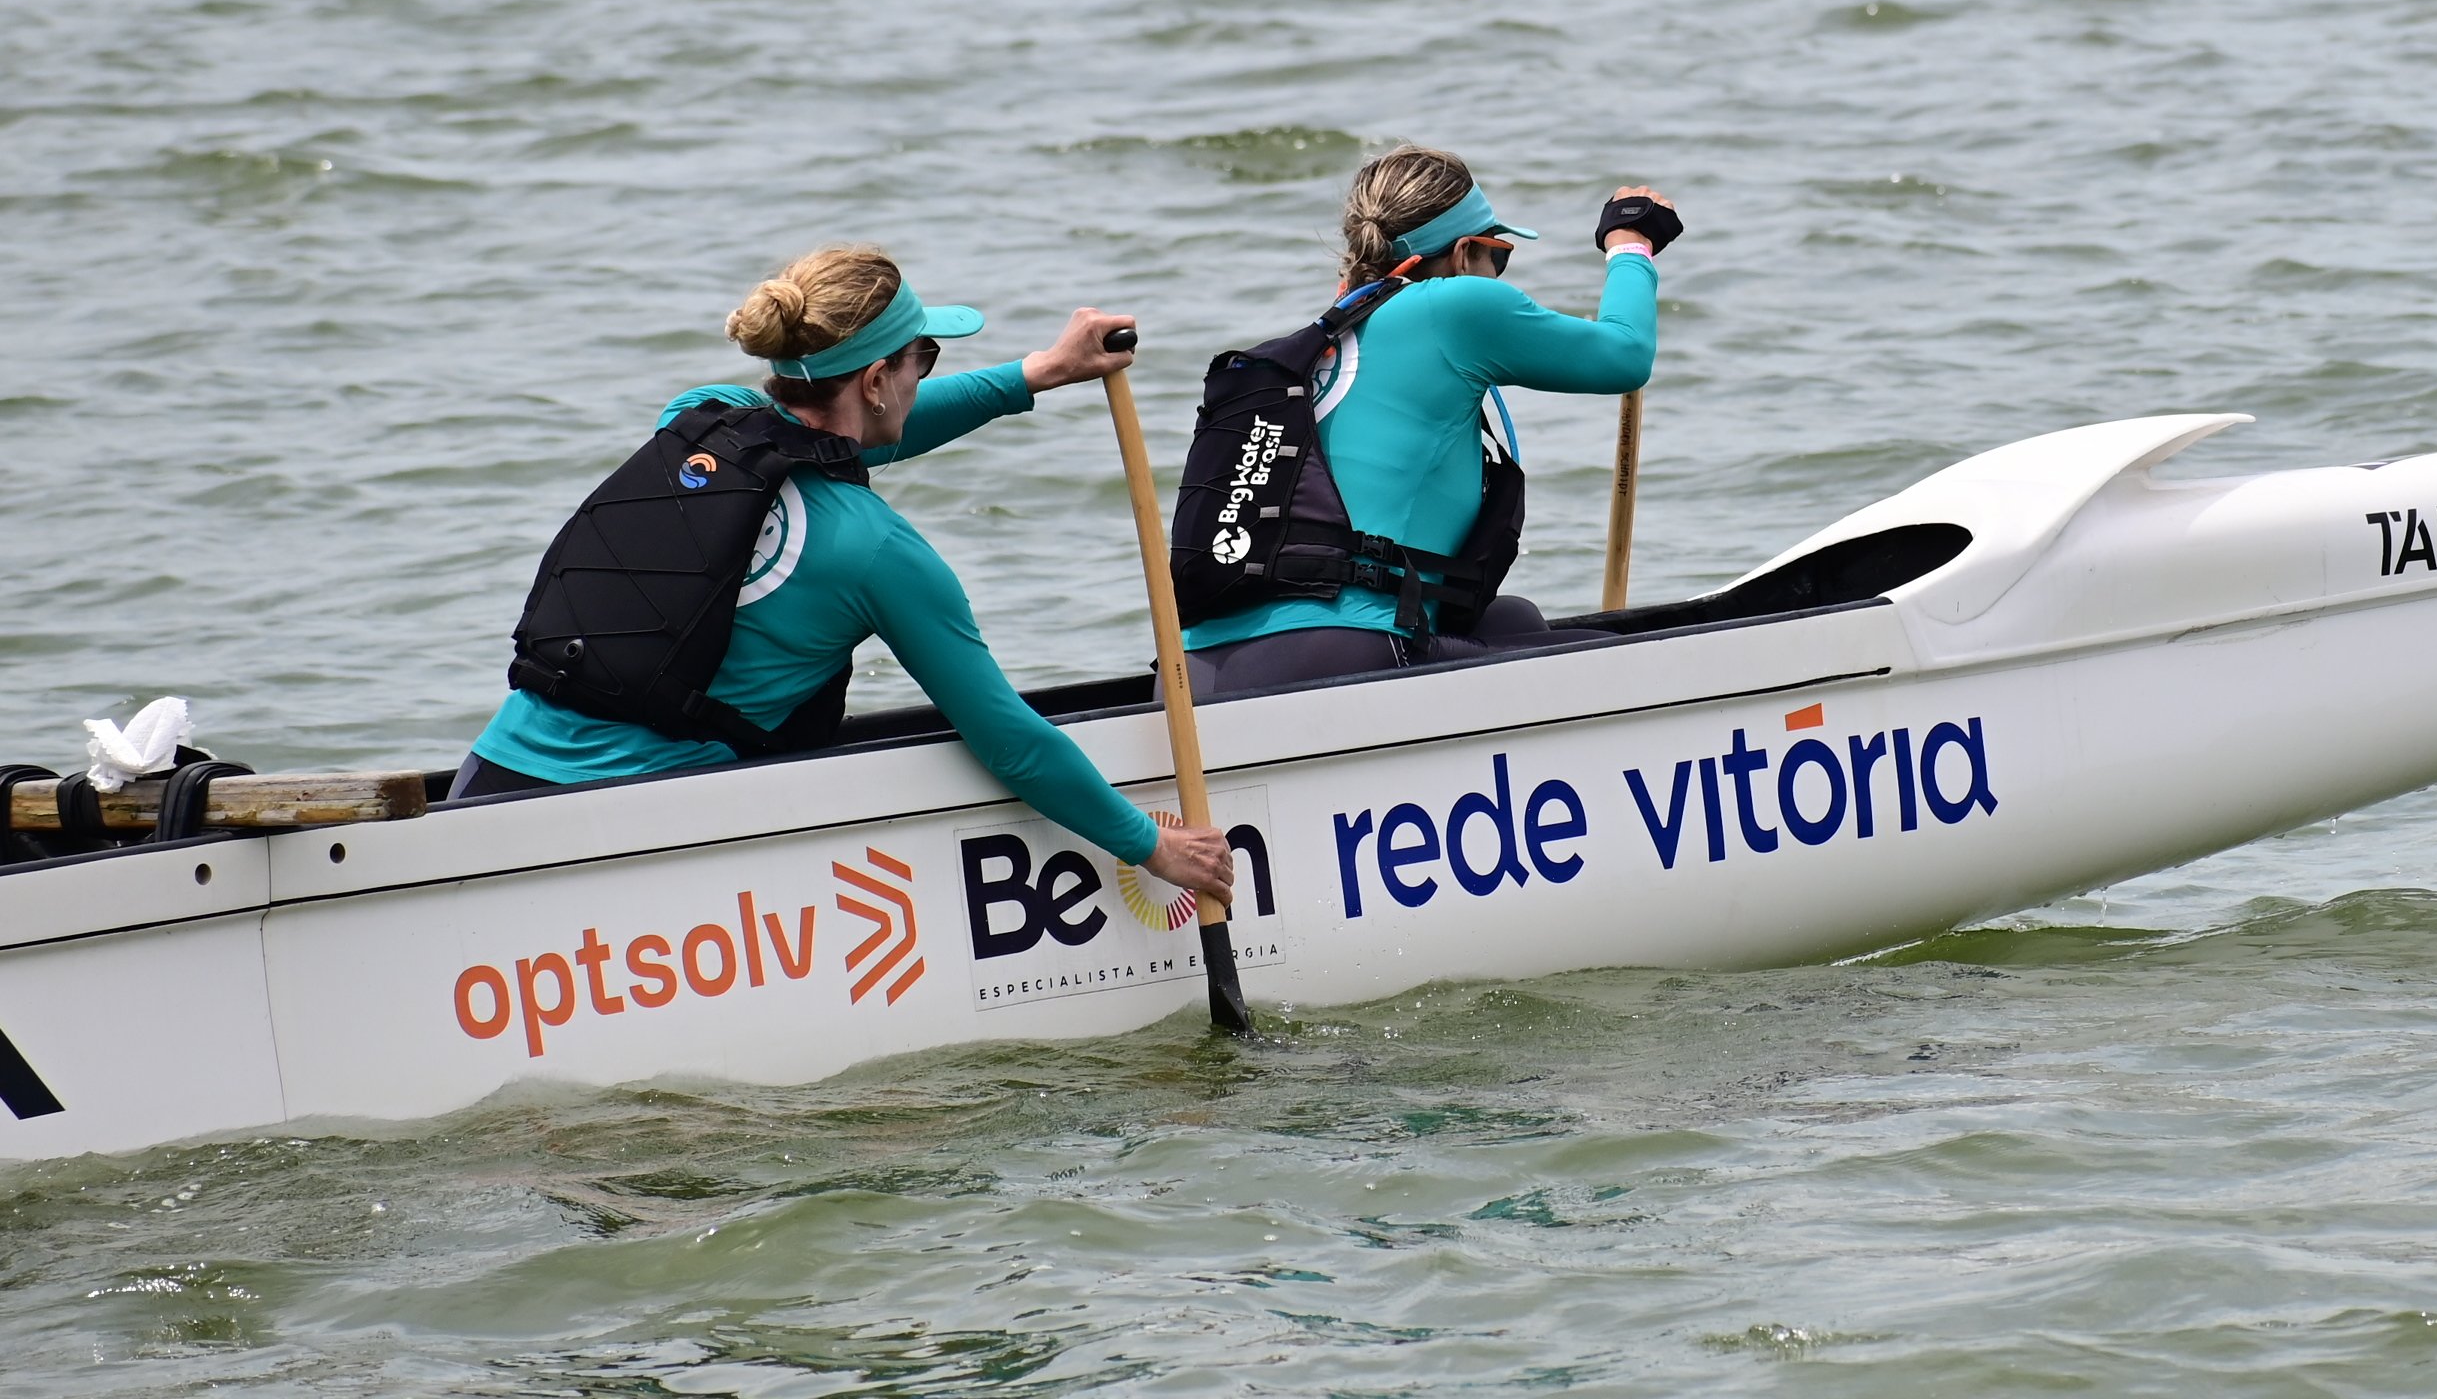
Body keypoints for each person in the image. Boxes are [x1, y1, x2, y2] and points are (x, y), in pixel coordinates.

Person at [457, 243, 1233, 904]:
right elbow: (1009, 741)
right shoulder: (878, 553)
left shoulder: (696, 417)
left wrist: (1037, 373)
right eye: (921, 360)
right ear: (873, 381)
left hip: (488, 781)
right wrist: (1153, 848)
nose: (924, 378)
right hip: (613, 834)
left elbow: (842, 439)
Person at [1180, 145, 1678, 697]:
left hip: (1194, 676)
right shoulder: (1452, 305)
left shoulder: (1321, 342)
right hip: (1340, 652)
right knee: (1647, 673)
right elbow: (1625, 355)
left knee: (1511, 620)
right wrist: (1631, 245)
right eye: (1499, 256)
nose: (1498, 274)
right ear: (1465, 253)